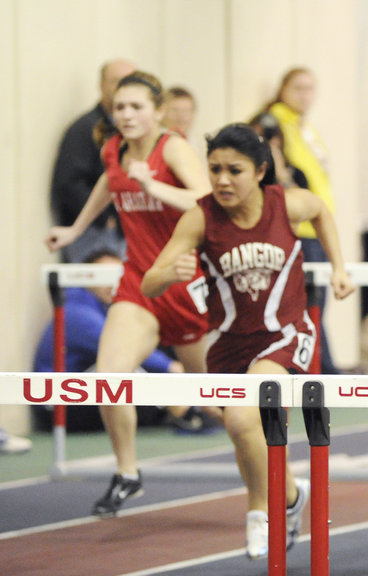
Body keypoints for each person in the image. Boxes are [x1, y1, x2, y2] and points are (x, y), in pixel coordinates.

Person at [141, 123, 354, 559]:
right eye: (214, 169)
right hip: (228, 344)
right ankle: (291, 495)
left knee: (241, 420)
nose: (221, 179)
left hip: (285, 334)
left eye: (233, 170)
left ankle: (261, 511)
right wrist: (171, 272)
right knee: (244, 435)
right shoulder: (200, 217)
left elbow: (321, 211)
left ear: (259, 171)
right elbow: (149, 283)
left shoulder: (285, 204)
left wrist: (338, 267)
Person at [44, 70, 211, 518]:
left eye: (136, 106)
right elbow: (107, 184)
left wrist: (153, 185)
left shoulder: (171, 147)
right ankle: (128, 472)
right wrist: (75, 229)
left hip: (184, 283)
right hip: (139, 284)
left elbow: (206, 200)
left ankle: (277, 477)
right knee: (110, 378)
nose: (126, 115)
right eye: (120, 107)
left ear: (158, 111)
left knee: (220, 404)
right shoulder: (112, 149)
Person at [32, 249, 213, 433]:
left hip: (82, 395)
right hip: (57, 406)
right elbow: (121, 347)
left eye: (117, 276)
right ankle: (188, 414)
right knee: (120, 366)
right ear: (87, 278)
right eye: (104, 276)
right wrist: (172, 367)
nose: (112, 284)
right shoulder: (76, 311)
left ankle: (183, 410)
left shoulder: (104, 306)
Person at [251, 68, 338, 374]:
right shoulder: (273, 123)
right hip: (295, 228)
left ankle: (319, 366)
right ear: (283, 88)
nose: (305, 95)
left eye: (310, 89)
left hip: (314, 225)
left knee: (315, 303)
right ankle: (316, 368)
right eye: (298, 88)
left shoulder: (305, 127)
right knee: (300, 305)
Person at [50, 58, 135, 264]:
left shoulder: (129, 131)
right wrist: (105, 219)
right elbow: (71, 182)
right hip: (97, 233)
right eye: (116, 81)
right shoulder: (85, 128)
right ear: (101, 85)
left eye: (129, 82)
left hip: (124, 230)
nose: (122, 88)